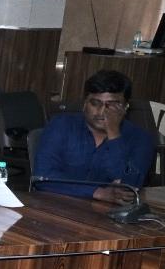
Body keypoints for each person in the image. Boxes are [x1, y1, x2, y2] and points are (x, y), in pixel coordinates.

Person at [33, 69, 156, 203]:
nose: (102, 111)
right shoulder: (61, 125)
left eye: (112, 106)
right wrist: (98, 192)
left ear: (125, 107)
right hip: (55, 205)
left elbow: (129, 188)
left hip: (110, 211)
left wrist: (114, 134)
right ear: (85, 103)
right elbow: (42, 177)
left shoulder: (140, 138)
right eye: (95, 103)